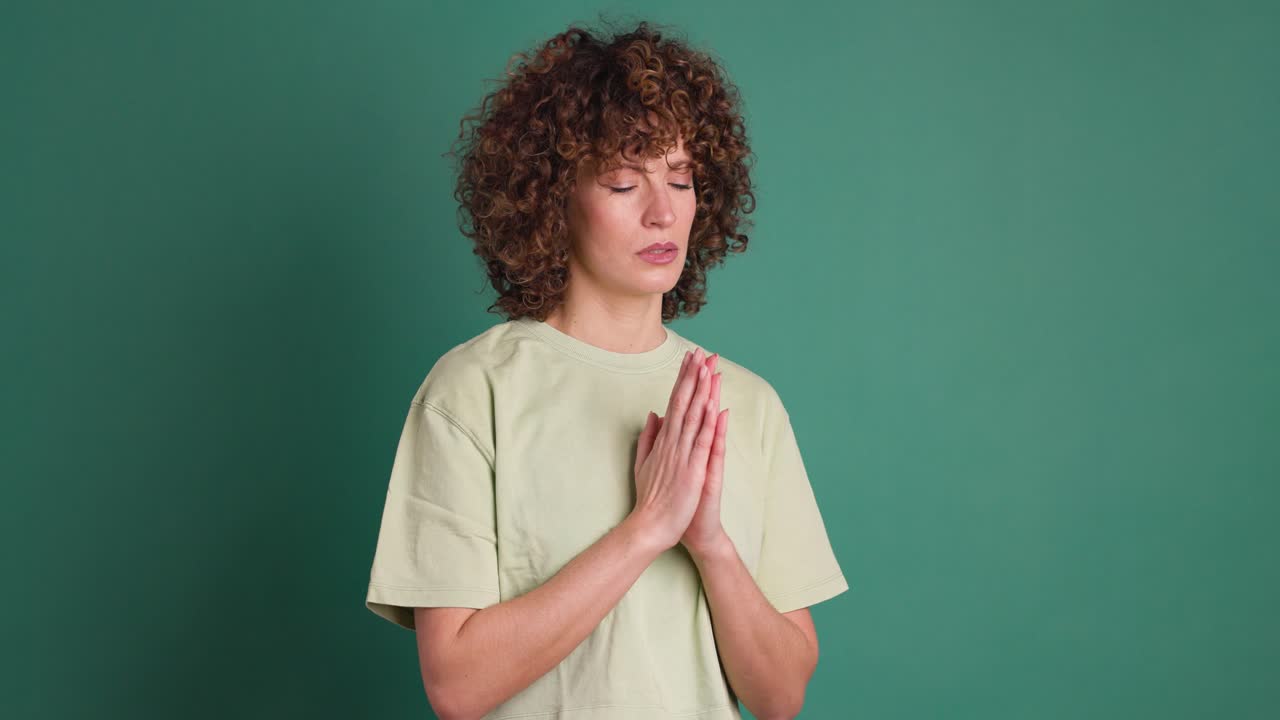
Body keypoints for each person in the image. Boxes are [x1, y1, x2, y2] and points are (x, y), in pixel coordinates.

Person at [365, 19, 848, 720]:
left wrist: (709, 544)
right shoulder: (471, 393)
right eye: (624, 184)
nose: (663, 212)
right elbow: (457, 685)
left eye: (680, 179)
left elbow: (780, 697)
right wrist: (647, 528)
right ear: (552, 200)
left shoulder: (747, 402)